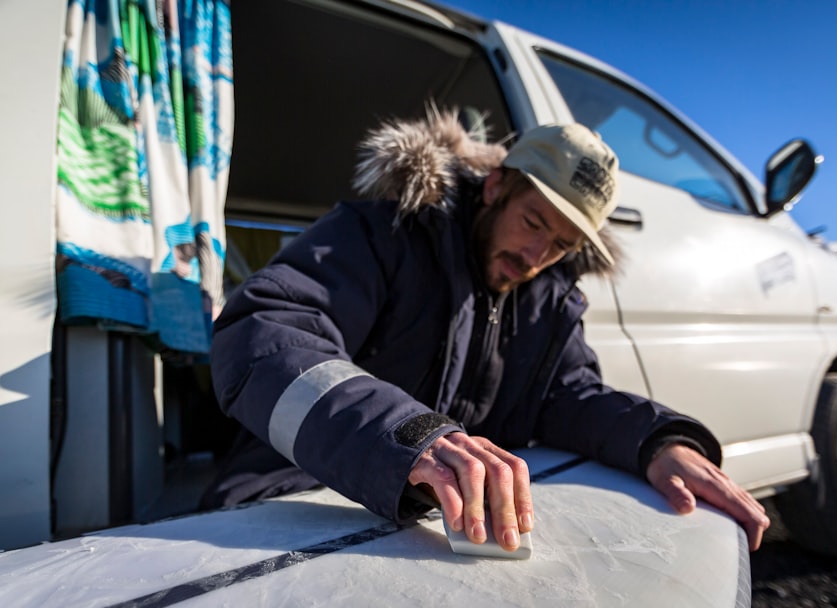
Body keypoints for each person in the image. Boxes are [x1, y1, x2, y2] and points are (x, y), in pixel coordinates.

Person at [201, 108, 770, 553]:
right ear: (496, 186)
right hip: (285, 500)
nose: (535, 256)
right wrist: (410, 437)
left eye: (563, 246)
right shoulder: (382, 234)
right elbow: (262, 332)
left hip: (426, 527)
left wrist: (657, 441)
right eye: (533, 222)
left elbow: (569, 395)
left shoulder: (548, 301)